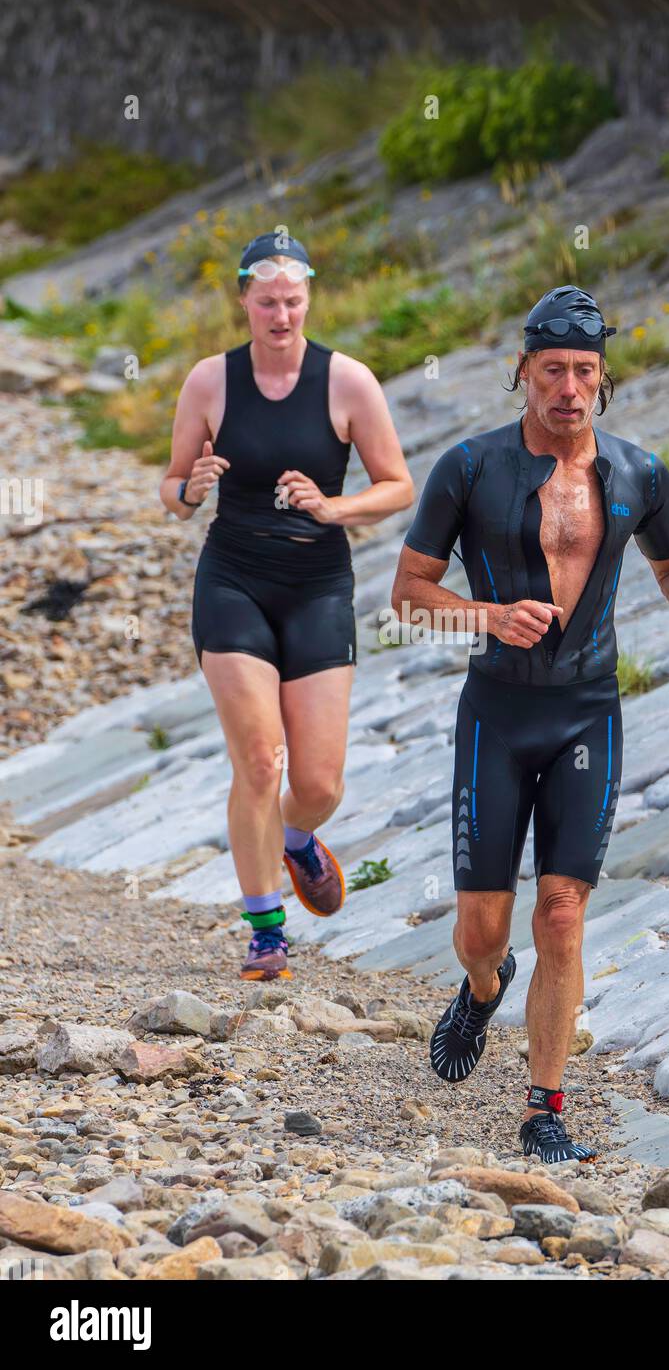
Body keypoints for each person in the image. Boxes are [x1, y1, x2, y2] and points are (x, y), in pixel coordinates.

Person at [391, 285, 669, 1163]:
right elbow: (407, 595)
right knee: (483, 930)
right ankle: (481, 983)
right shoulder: (467, 468)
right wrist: (488, 616)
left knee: (564, 910)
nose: (568, 388)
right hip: (494, 715)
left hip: (586, 711)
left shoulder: (640, 473)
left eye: (583, 371)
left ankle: (545, 1109)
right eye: (551, 371)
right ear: (522, 372)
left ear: (603, 377)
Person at [160, 230, 413, 980]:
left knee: (319, 784)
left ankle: (297, 839)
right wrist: (191, 489)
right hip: (233, 580)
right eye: (267, 301)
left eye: (293, 302)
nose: (281, 315)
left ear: (308, 300)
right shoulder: (210, 382)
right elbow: (170, 488)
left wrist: (334, 508)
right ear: (244, 299)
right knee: (261, 759)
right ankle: (266, 930)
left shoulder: (348, 382)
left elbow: (397, 485)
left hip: (317, 586)